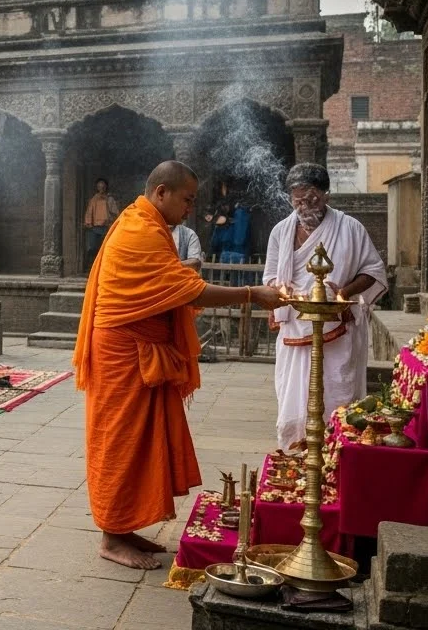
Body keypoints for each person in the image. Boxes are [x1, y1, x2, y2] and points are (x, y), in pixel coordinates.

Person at [75, 160, 286, 570]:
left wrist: (181, 276)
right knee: (121, 442)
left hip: (138, 348)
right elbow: (185, 290)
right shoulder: (139, 228)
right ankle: (110, 537)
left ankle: (124, 527)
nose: (191, 208)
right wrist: (251, 293)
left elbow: (166, 281)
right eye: (187, 199)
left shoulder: (148, 225)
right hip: (124, 352)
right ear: (161, 193)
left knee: (142, 444)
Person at [264, 163, 387, 451]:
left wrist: (344, 291)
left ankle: (336, 453)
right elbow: (270, 276)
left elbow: (373, 270)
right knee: (294, 397)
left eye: (312, 199)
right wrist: (283, 288)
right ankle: (296, 454)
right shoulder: (281, 232)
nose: (305, 206)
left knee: (336, 394)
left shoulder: (350, 228)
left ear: (326, 196)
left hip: (337, 327)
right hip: (295, 326)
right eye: (298, 200)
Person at [83, 177, 121, 268]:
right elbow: (89, 211)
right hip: (95, 228)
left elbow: (116, 212)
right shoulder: (94, 199)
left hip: (106, 227)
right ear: (97, 188)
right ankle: (94, 267)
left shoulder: (109, 199)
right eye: (99, 187)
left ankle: (105, 267)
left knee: (106, 248)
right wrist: (88, 222)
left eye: (103, 187)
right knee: (93, 248)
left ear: (106, 187)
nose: (101, 189)